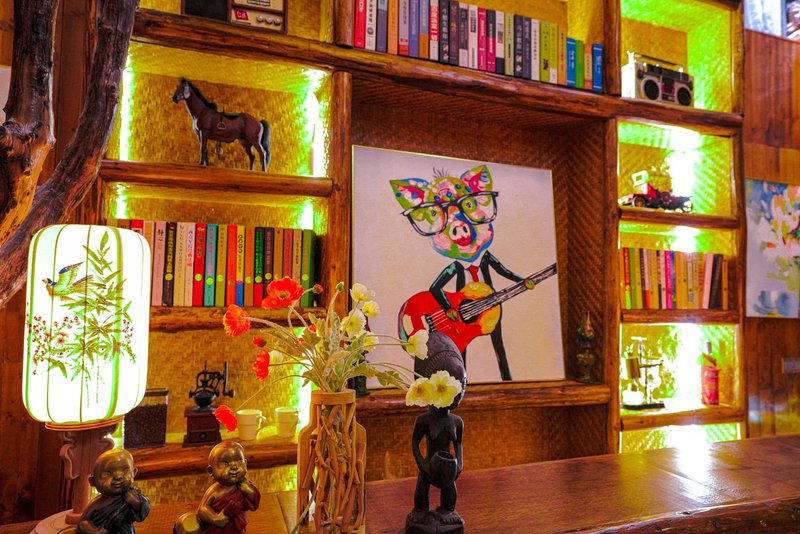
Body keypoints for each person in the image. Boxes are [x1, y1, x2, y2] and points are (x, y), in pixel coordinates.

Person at [77, 448, 150, 534]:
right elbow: (83, 522)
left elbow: (144, 509)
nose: (118, 477)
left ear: (134, 473)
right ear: (93, 481)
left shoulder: (133, 496)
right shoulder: (98, 504)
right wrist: (96, 532)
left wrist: (133, 500)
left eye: (125, 470)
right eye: (108, 473)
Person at [196, 441, 260, 534]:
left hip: (237, 528)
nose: (234, 467)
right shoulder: (215, 490)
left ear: (245, 464)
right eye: (225, 463)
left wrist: (248, 491)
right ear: (211, 471)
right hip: (219, 529)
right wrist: (215, 518)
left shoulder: (244, 486)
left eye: (239, 461)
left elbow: (254, 503)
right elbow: (202, 509)